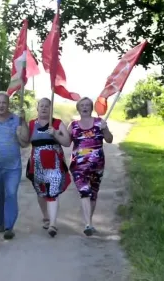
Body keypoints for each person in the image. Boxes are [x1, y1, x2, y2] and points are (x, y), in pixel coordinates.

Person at [0, 92, 29, 239]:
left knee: (11, 194)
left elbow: (25, 142)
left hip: (13, 167)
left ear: (8, 104)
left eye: (4, 102)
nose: (1, 105)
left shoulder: (17, 120)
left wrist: (24, 123)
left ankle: (9, 226)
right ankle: (0, 223)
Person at [25, 98, 72, 237]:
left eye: (47, 106)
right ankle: (46, 217)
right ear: (37, 108)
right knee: (41, 192)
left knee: (53, 191)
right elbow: (25, 140)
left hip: (55, 163)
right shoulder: (32, 123)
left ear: (51, 108)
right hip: (37, 163)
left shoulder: (57, 123)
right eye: (42, 106)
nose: (44, 108)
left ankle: (53, 224)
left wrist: (56, 134)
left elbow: (68, 142)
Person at [68, 97, 113, 237]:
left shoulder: (100, 122)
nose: (85, 107)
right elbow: (65, 142)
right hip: (78, 166)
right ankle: (88, 224)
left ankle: (89, 222)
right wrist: (55, 133)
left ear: (92, 107)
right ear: (78, 108)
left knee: (93, 194)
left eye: (88, 105)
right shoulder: (73, 125)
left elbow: (110, 139)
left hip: (97, 165)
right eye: (82, 105)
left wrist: (105, 129)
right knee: (84, 191)